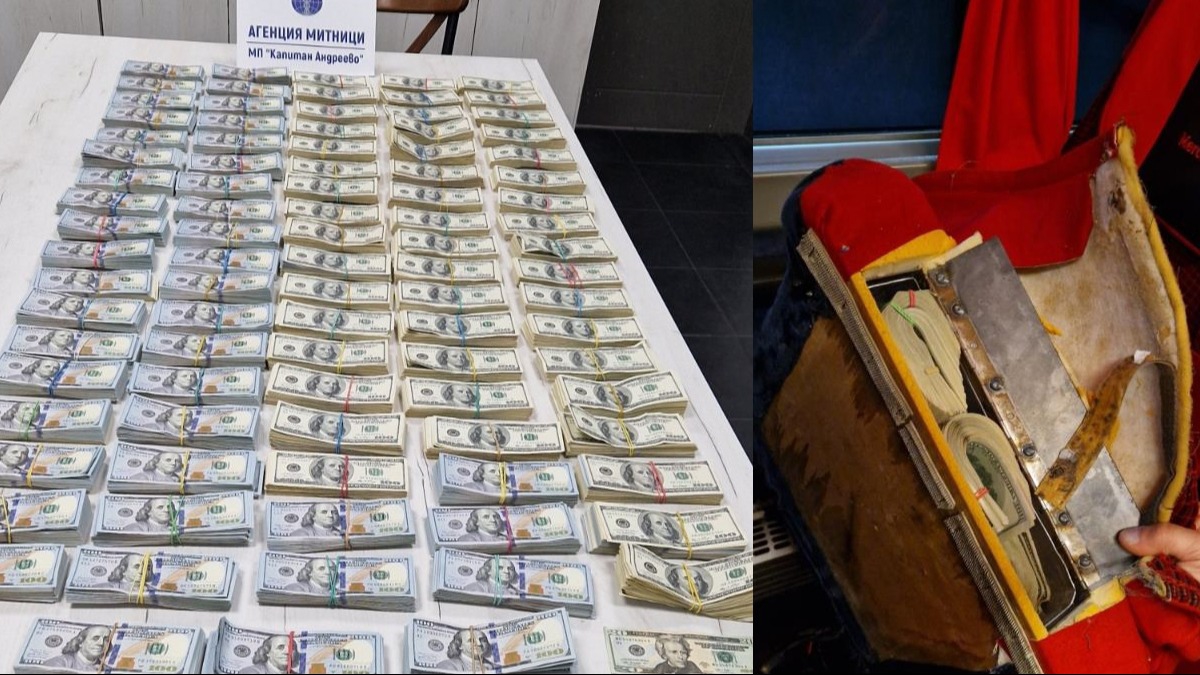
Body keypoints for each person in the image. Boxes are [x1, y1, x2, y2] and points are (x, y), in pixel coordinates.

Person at [42, 625, 113, 671]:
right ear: (81, 642)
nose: (101, 643)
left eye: (106, 640)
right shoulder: (59, 663)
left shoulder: (107, 670)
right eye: (95, 638)